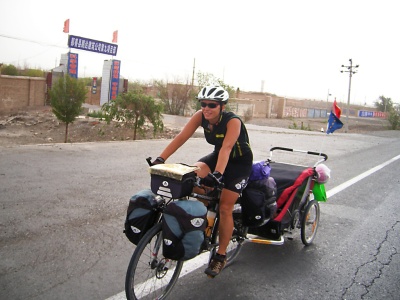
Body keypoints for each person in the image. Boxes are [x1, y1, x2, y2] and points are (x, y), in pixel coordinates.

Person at [152, 86, 253, 277]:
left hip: (238, 164)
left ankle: (221, 255)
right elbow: (182, 137)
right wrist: (161, 158)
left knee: (225, 207)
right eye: (203, 104)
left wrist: (218, 174)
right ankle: (206, 224)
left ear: (222, 106)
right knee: (192, 178)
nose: (206, 108)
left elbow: (227, 148)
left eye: (212, 105)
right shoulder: (200, 116)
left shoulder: (233, 122)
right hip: (217, 157)